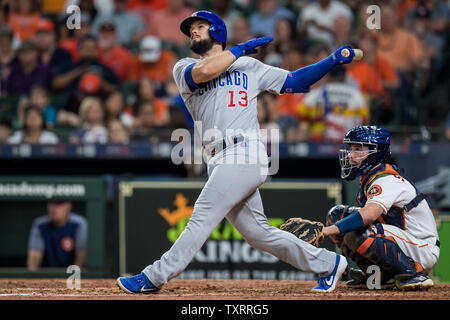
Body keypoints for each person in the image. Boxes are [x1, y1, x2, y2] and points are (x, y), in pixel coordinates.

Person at [117, 10, 361, 294]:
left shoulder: (249, 66)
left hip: (244, 152)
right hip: (218, 158)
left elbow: (295, 82)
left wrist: (331, 60)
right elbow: (205, 72)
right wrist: (240, 48)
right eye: (191, 29)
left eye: (200, 26)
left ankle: (153, 277)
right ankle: (328, 263)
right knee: (259, 234)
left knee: (202, 216)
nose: (193, 32)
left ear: (217, 31)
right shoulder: (183, 66)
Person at [321, 125, 440, 290]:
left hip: (422, 248)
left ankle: (413, 273)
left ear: (375, 152)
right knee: (337, 215)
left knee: (359, 232)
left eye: (357, 149)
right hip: (404, 240)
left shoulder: (386, 180)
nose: (350, 155)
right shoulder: (370, 178)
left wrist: (328, 230)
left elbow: (369, 215)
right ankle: (379, 274)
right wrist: (335, 225)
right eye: (351, 149)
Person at [296, 65, 368, 142]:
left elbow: (301, 118)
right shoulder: (356, 95)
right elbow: (364, 120)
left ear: (328, 76)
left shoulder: (314, 94)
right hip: (348, 145)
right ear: (344, 76)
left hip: (318, 145)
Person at [27, 200, 88, 270]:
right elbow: (34, 257)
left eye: (59, 204)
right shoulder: (40, 224)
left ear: (68, 206)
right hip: (46, 276)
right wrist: (33, 278)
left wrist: (72, 278)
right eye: (51, 203)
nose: (53, 208)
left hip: (71, 277)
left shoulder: (79, 223)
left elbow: (81, 256)